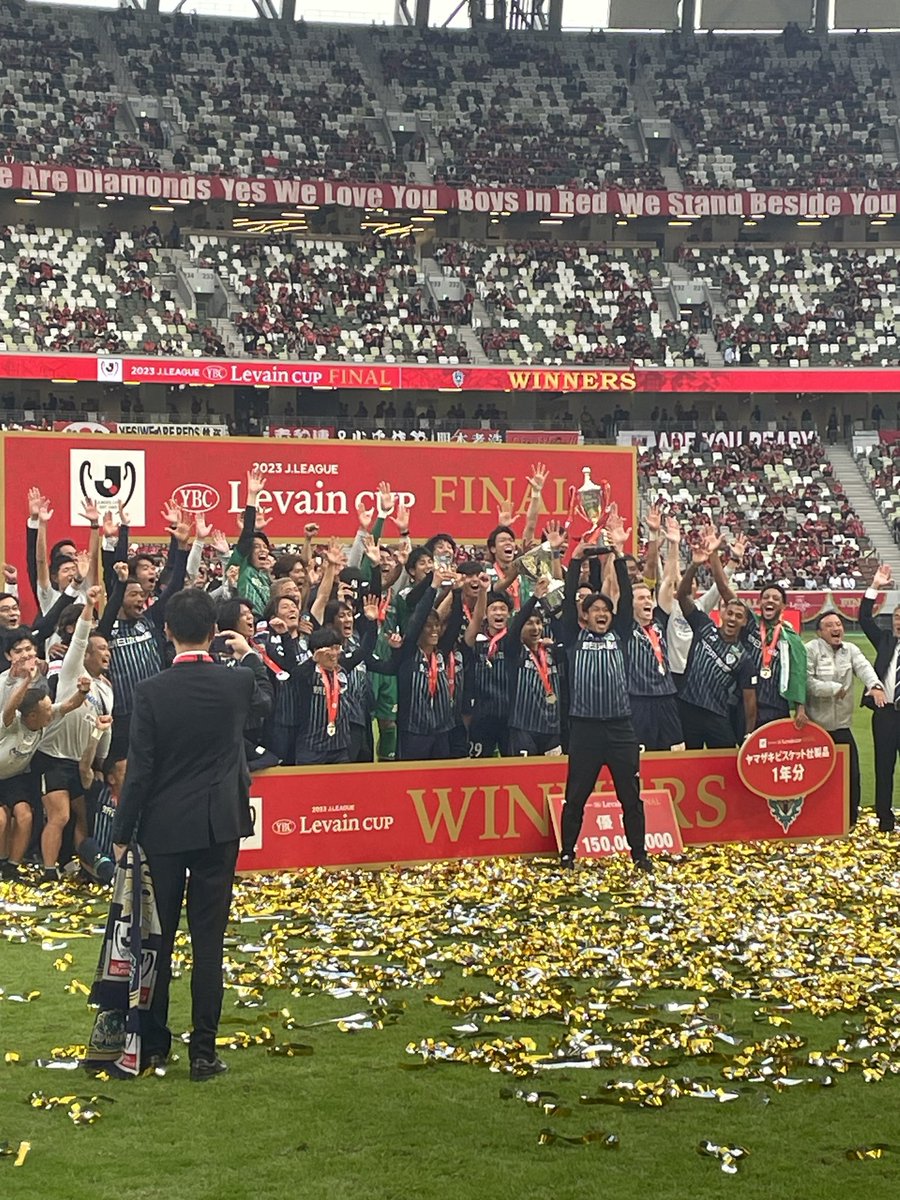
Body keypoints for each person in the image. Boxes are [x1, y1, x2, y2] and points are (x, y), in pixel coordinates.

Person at [110, 589, 273, 1081]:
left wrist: (121, 830)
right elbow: (266, 699)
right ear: (214, 631)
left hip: (163, 828)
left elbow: (140, 770)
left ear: (167, 632)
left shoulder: (151, 691)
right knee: (208, 941)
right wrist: (249, 653)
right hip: (219, 825)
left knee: (157, 941)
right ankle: (203, 1052)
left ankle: (154, 1045)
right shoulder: (237, 681)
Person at [557, 517, 651, 872]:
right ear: (585, 616)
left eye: (605, 610)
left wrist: (619, 555)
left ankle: (639, 854)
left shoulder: (620, 634)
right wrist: (576, 559)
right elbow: (569, 601)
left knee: (631, 797)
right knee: (576, 796)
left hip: (620, 729)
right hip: (584, 729)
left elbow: (624, 597)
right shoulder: (573, 636)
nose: (601, 613)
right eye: (594, 609)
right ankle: (568, 853)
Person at [805, 610, 884, 827]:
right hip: (816, 729)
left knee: (852, 776)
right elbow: (807, 683)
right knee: (815, 777)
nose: (836, 628)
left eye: (838, 624)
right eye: (829, 625)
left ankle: (849, 820)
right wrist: (834, 688)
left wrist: (875, 685)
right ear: (819, 632)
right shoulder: (810, 649)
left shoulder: (851, 650)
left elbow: (864, 668)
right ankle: (813, 819)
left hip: (841, 727)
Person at [675, 537, 755, 749]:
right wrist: (694, 565)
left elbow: (749, 700)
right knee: (687, 763)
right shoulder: (703, 625)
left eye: (739, 616)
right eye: (730, 613)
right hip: (688, 708)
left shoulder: (744, 658)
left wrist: (749, 734)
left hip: (717, 714)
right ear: (722, 613)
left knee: (723, 761)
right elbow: (681, 596)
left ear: (744, 622)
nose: (733, 618)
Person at [858, 563, 900, 831]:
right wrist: (874, 586)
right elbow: (864, 618)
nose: (899, 622)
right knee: (883, 767)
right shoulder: (885, 640)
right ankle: (885, 820)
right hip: (886, 714)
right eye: (896, 617)